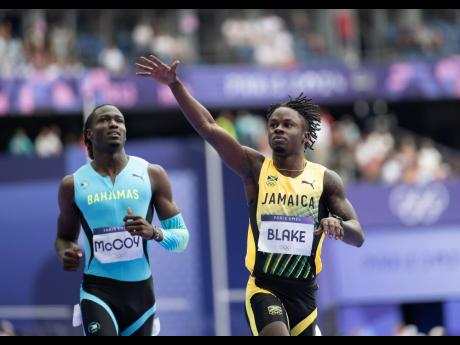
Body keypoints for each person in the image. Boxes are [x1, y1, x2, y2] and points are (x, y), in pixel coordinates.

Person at [136, 55, 365, 336]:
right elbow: (209, 128)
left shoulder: (326, 180)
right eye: (273, 124)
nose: (278, 128)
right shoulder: (255, 168)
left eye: (287, 125)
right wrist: (175, 85)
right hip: (264, 287)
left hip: (305, 295)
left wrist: (339, 226)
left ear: (305, 136)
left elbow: (358, 236)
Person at [55, 104, 189, 336]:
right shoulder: (73, 184)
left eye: (119, 120)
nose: (114, 124)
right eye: (105, 120)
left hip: (141, 295)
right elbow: (64, 238)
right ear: (89, 134)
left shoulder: (151, 174)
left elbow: (182, 239)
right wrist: (66, 252)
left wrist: (153, 232)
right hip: (98, 291)